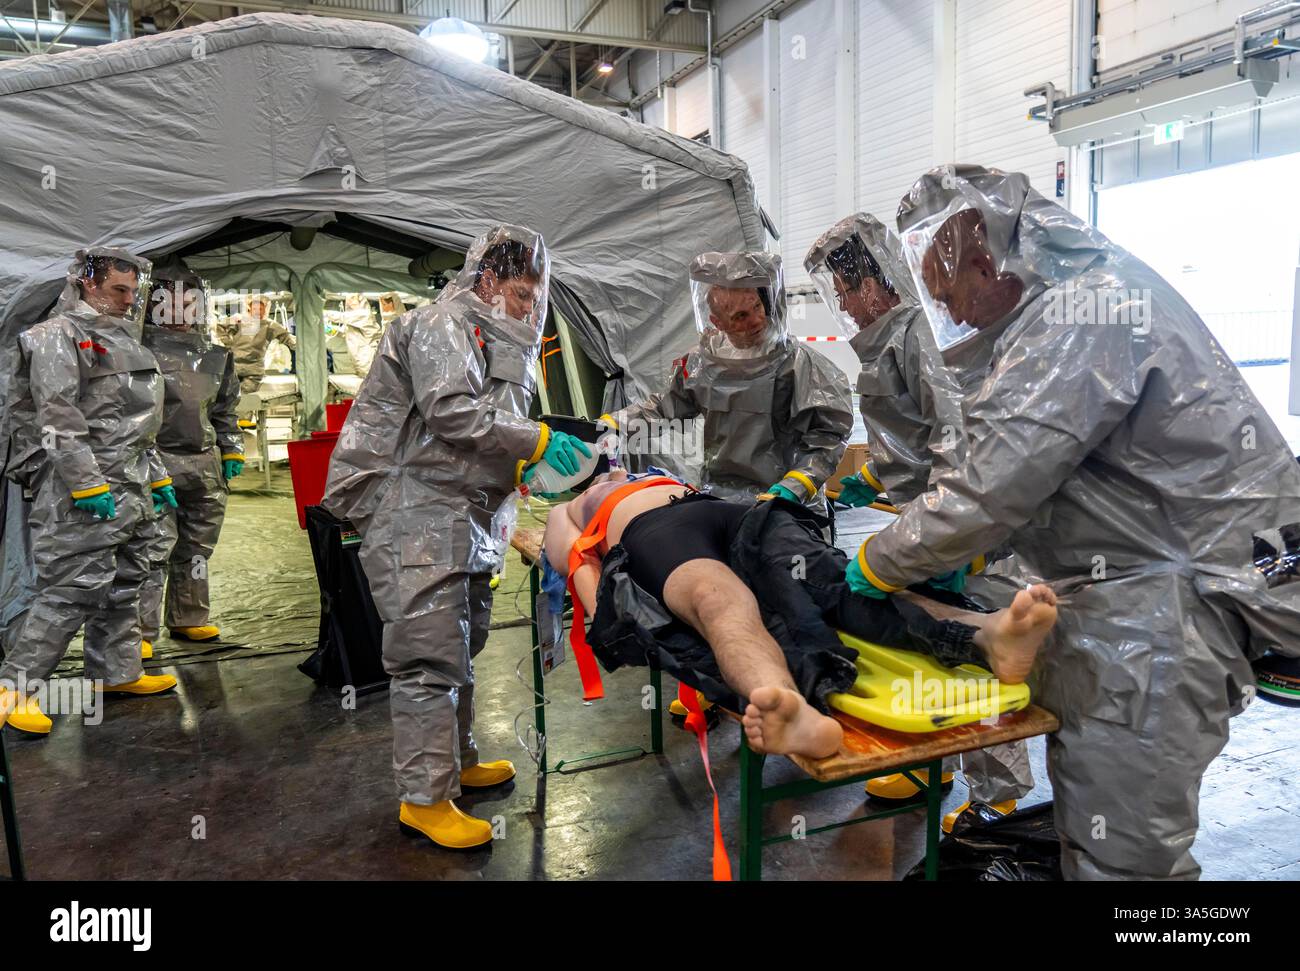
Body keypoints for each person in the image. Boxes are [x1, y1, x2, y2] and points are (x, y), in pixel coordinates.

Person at [846, 164, 1300, 880]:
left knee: (1126, 856)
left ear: (980, 253)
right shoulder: (1068, 307)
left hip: (1169, 612)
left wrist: (879, 560)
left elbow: (990, 483)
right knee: (1100, 829)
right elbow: (1066, 480)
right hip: (1155, 585)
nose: (955, 316)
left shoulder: (1081, 315)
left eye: (951, 291)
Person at [322, 225, 592, 851]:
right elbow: (451, 412)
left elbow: (490, 427)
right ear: (490, 279)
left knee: (459, 642)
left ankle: (458, 761)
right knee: (427, 653)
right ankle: (424, 798)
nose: (529, 308)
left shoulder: (502, 336)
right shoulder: (443, 323)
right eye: (522, 294)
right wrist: (539, 442)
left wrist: (524, 461)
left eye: (535, 298)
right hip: (414, 510)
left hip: (463, 514)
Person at [544, 469, 1059, 757]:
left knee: (830, 578)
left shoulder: (653, 469)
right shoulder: (570, 507)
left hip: (733, 512)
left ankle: (985, 635)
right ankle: (793, 711)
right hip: (655, 534)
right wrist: (608, 611)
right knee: (720, 605)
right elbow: (574, 564)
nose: (611, 465)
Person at [806, 212, 1034, 828]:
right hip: (920, 520)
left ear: (880, 281)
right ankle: (920, 763)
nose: (847, 303)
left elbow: (957, 447)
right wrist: (871, 479)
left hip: (952, 528)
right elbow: (908, 440)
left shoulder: (917, 337)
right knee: (922, 644)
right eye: (841, 291)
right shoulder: (883, 345)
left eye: (851, 288)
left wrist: (954, 544)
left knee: (974, 649)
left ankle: (998, 791)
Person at [0, 247, 178, 735]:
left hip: (131, 483)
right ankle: (14, 689)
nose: (127, 300)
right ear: (87, 283)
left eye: (132, 291)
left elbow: (136, 425)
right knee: (71, 590)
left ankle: (116, 673)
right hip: (80, 492)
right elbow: (57, 421)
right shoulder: (55, 338)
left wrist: (157, 475)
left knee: (125, 581)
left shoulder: (125, 341)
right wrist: (86, 485)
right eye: (118, 290)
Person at [601, 252, 852, 514]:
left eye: (757, 307)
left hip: (789, 504)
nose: (756, 320)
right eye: (741, 316)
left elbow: (829, 434)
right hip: (721, 499)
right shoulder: (702, 364)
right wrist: (612, 424)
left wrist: (798, 484)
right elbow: (663, 409)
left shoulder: (799, 364)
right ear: (717, 322)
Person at [138, 261, 244, 651]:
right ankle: (139, 634)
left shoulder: (216, 356)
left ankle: (189, 617)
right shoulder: (138, 352)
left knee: (197, 546)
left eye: (189, 302)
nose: (181, 312)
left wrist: (231, 448)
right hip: (155, 462)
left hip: (204, 462)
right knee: (152, 548)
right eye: (172, 302)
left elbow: (225, 410)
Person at [216, 293, 296, 393]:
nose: (258, 312)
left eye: (260, 309)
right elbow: (219, 327)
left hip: (254, 369)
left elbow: (286, 337)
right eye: (255, 308)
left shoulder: (270, 325)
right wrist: (227, 342)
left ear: (265, 309)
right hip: (233, 365)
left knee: (244, 394)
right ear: (249, 308)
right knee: (226, 392)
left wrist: (303, 347)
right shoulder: (239, 320)